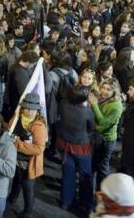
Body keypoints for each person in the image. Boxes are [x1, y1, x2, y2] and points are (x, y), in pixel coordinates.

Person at [56, 85, 95, 214]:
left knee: (68, 174)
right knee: (85, 176)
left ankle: (65, 202)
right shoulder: (87, 112)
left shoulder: (63, 104)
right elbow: (91, 128)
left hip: (64, 144)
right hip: (80, 147)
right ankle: (86, 204)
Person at [8, 93, 47, 218]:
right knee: (16, 182)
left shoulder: (39, 126)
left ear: (37, 110)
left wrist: (18, 144)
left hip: (29, 164)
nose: (30, 111)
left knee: (27, 188)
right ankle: (11, 200)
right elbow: (9, 132)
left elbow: (38, 149)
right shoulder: (16, 119)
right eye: (27, 107)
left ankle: (28, 212)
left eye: (32, 108)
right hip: (15, 160)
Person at [88, 79, 123, 187]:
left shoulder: (116, 106)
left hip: (106, 140)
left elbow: (103, 124)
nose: (104, 91)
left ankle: (100, 192)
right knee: (92, 165)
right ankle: (88, 190)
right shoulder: (102, 99)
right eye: (103, 88)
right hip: (96, 137)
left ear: (114, 91)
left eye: (108, 89)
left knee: (102, 167)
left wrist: (94, 105)